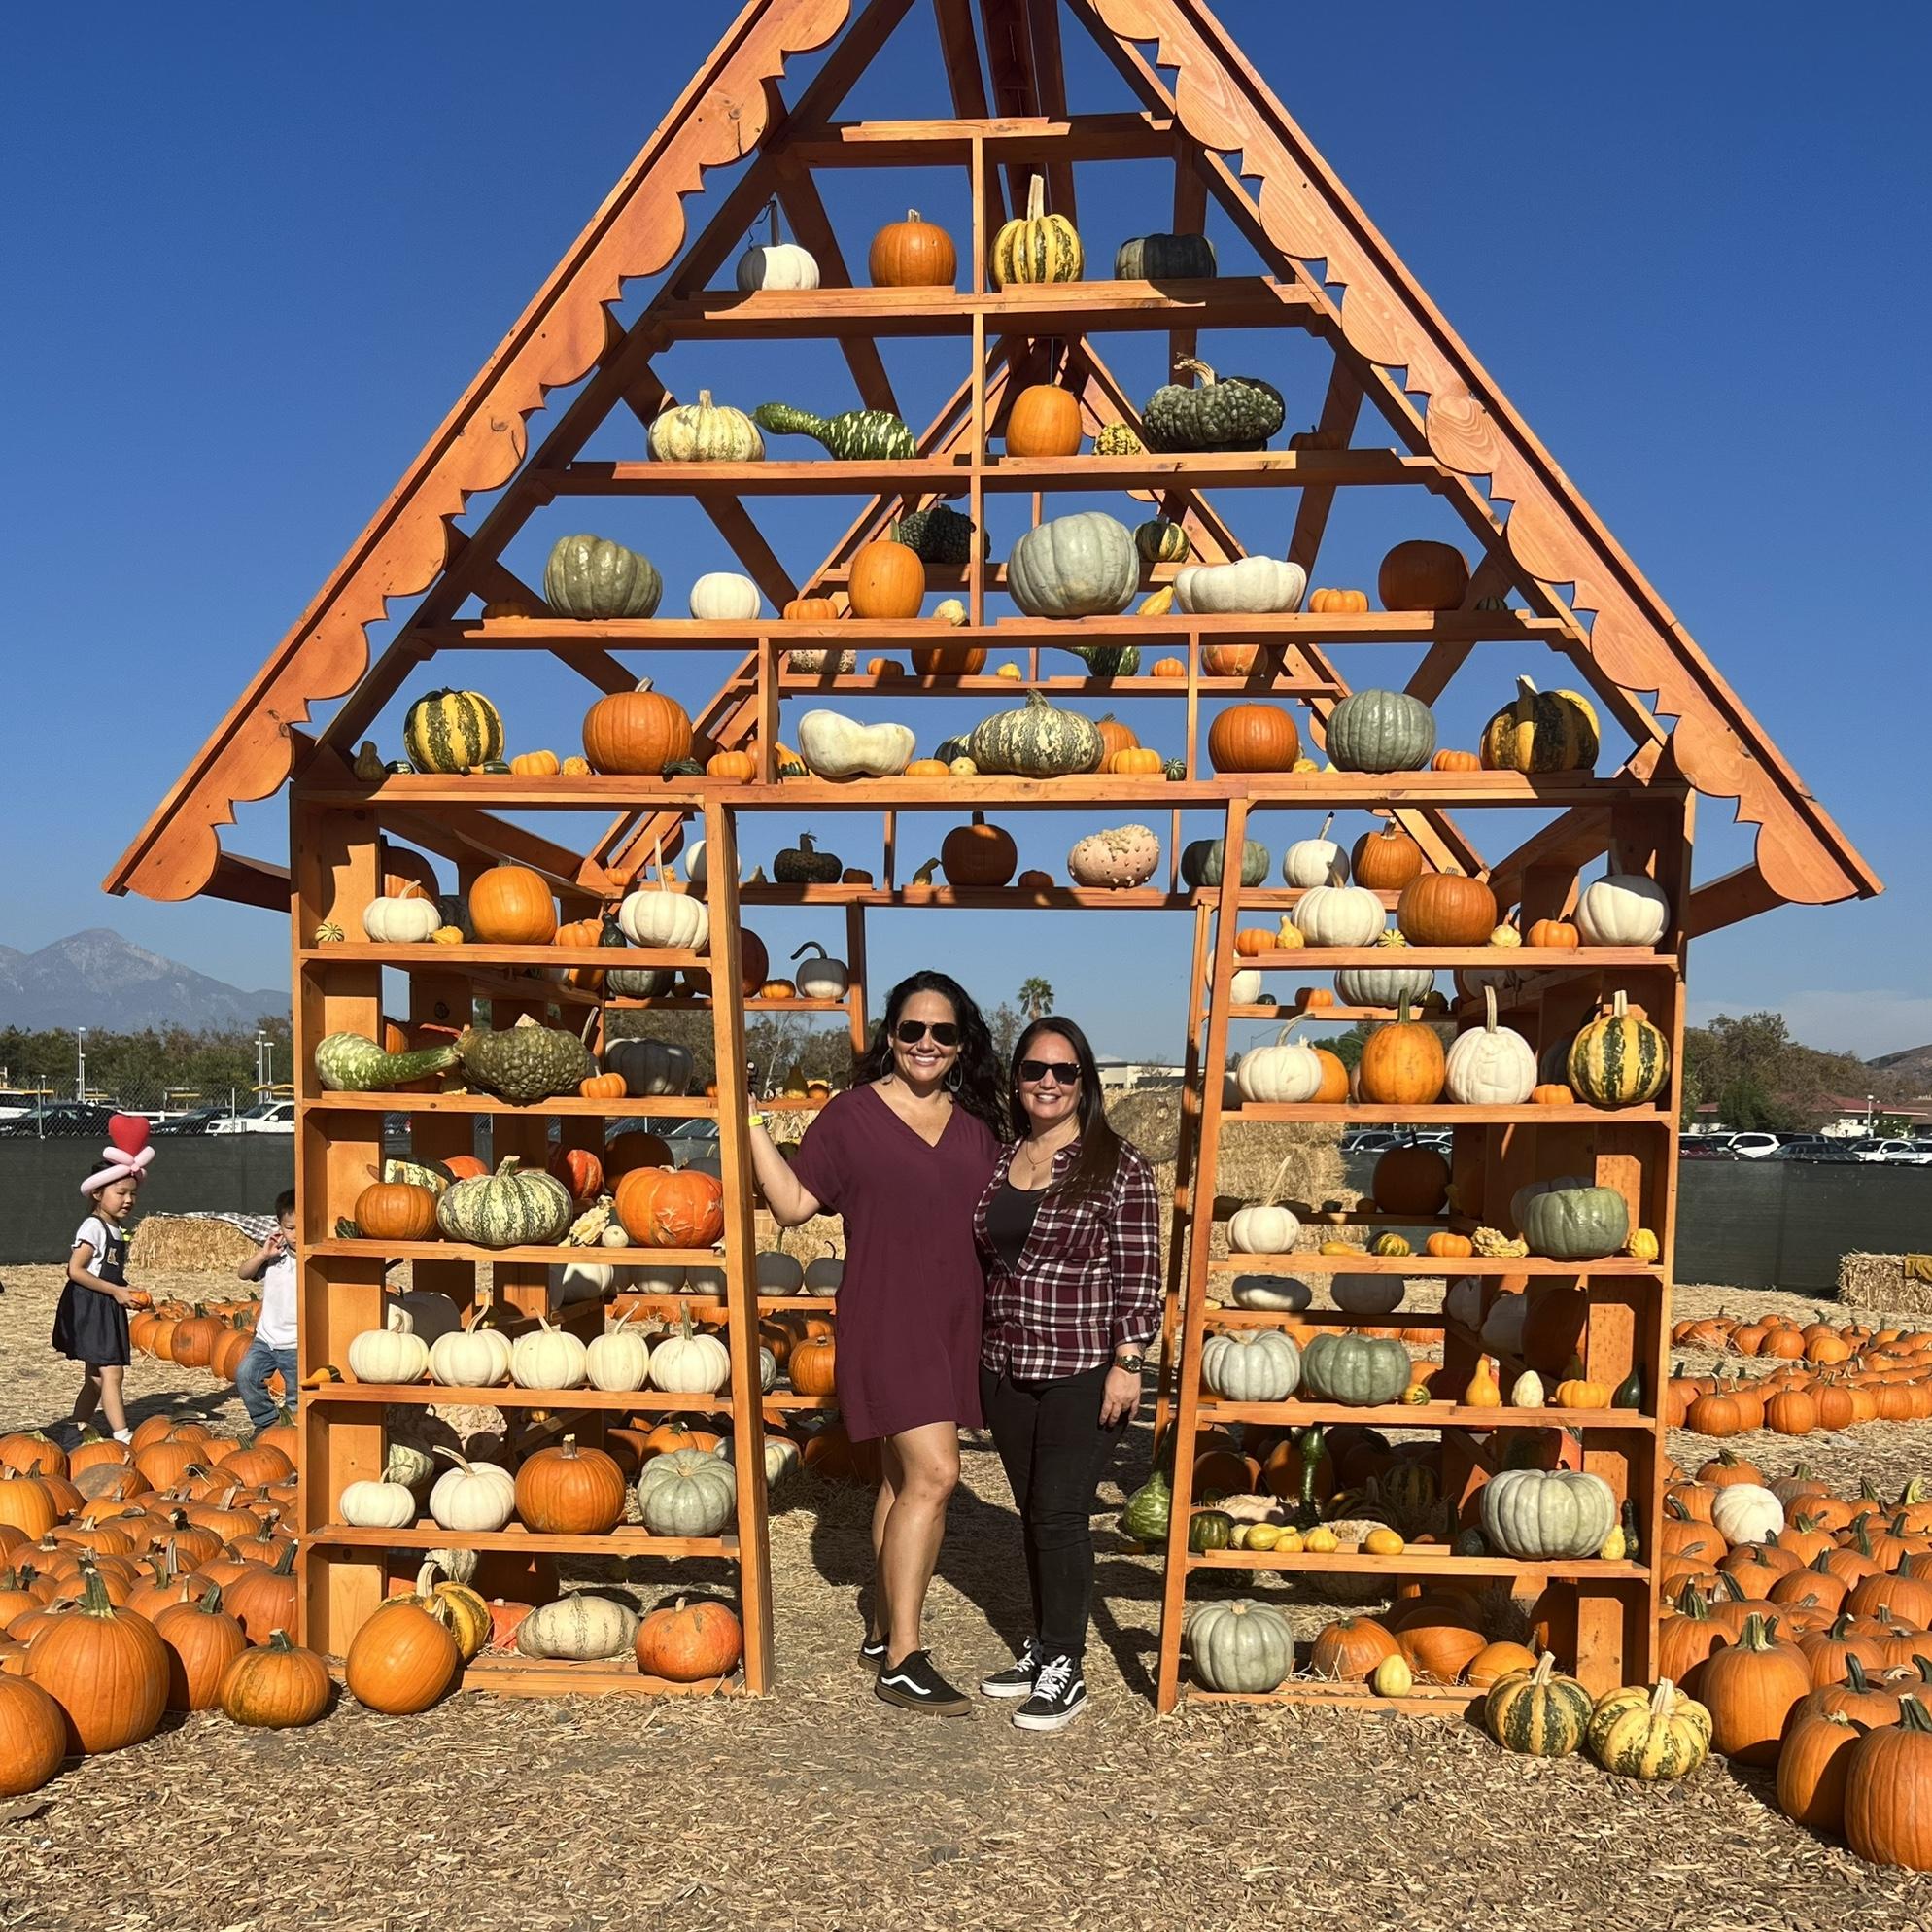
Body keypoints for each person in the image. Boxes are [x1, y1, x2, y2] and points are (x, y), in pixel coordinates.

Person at [747, 970, 1005, 1715]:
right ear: (890, 1036)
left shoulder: (978, 1126)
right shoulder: (851, 1116)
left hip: (953, 1322)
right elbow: (794, 1205)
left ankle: (885, 1622)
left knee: (900, 1476)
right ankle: (903, 1658)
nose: (926, 1043)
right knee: (936, 1475)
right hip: (885, 1318)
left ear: (961, 1046)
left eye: (943, 1033)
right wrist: (753, 1126)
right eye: (912, 1029)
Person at [974, 1015, 1160, 1731]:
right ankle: (1045, 1640)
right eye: (1034, 1070)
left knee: (1059, 1512)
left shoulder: (1119, 1164)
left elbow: (1141, 1274)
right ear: (1017, 1080)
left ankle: (1065, 1665)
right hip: (1007, 1363)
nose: (1047, 1083)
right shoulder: (1004, 1158)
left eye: (1063, 1072)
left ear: (1086, 1081)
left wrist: (1128, 1362)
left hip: (1084, 1365)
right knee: (1034, 1513)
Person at [55, 1121, 156, 1442]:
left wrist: (129, 1292)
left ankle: (74, 1430)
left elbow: (107, 1269)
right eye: (121, 1193)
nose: (128, 1200)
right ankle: (123, 1435)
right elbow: (76, 1270)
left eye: (133, 1194)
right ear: (98, 1193)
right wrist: (116, 1291)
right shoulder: (94, 1226)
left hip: (106, 1304)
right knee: (112, 1372)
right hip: (91, 1306)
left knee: (97, 1378)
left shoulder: (114, 1228)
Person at [237, 1190, 298, 1431]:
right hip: (266, 1339)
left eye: (301, 1227)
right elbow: (244, 1274)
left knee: (297, 1397)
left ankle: (294, 1435)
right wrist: (263, 1254)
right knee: (246, 1377)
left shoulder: (315, 1259)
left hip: (297, 1343)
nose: (296, 1234)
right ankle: (266, 1425)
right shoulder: (274, 1257)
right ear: (280, 1227)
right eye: (290, 1228)